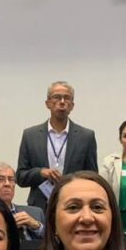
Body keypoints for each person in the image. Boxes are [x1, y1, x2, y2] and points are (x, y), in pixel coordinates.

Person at [16, 80, 99, 210]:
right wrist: (41, 172)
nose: (62, 101)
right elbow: (20, 177)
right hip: (40, 207)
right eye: (57, 97)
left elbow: (92, 178)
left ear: (72, 105)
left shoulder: (86, 136)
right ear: (47, 103)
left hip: (74, 205)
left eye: (67, 98)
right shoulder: (30, 135)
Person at [0, 160, 45, 240]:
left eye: (11, 179)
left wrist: (37, 227)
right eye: (0, 179)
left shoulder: (35, 213)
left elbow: (53, 242)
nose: (7, 184)